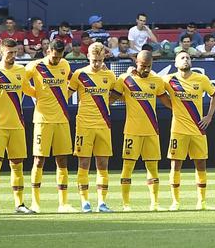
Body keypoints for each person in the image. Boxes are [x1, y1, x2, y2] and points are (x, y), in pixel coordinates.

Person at [117, 49, 171, 211]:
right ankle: (126, 204)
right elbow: (111, 97)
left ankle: (155, 203)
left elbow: (168, 102)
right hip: (132, 131)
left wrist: (182, 108)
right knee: (127, 167)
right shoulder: (125, 79)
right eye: (142, 66)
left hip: (151, 130)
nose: (146, 69)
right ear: (136, 63)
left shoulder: (157, 81)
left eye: (149, 66)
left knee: (153, 168)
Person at [24, 40, 76, 213]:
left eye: (59, 57)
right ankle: (35, 202)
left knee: (62, 160)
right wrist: (35, 93)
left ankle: (63, 203)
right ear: (48, 51)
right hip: (42, 119)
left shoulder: (65, 64)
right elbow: (20, 81)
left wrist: (66, 94)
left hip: (61, 118)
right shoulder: (35, 66)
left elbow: (74, 80)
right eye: (54, 57)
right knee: (39, 160)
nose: (56, 60)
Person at [166, 50, 215, 211]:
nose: (185, 60)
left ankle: (201, 202)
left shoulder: (201, 79)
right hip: (178, 130)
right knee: (175, 165)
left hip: (198, 129)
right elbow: (155, 89)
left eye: (188, 58)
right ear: (176, 63)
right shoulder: (169, 79)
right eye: (182, 58)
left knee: (201, 164)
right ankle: (175, 202)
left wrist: (209, 116)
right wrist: (172, 106)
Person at [67, 41, 117, 213]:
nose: (96, 64)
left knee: (103, 163)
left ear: (104, 58)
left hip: (103, 124)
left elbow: (118, 93)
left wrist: (106, 104)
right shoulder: (79, 75)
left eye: (100, 60)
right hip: (84, 125)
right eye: (94, 60)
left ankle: (102, 202)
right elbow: (66, 94)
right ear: (88, 56)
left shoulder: (110, 75)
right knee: (84, 163)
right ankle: (85, 201)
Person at [0, 38, 31, 214]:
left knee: (17, 165)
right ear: (1, 51)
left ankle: (19, 204)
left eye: (15, 52)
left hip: (17, 124)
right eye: (10, 52)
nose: (13, 56)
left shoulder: (21, 70)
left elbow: (29, 90)